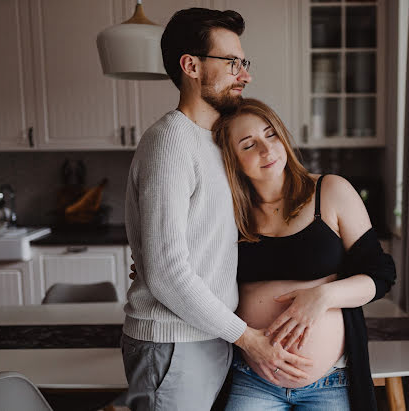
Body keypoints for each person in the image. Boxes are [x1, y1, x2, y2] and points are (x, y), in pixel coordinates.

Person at [122, 9, 312, 411]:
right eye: (231, 63)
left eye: (244, 63)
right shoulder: (171, 142)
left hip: (206, 337)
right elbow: (167, 272)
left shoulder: (213, 143)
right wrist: (247, 337)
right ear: (191, 66)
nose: (244, 75)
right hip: (175, 341)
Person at [213, 98, 397, 410]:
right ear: (230, 158)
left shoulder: (331, 191)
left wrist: (323, 297)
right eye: (248, 144)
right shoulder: (227, 214)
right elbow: (191, 275)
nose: (266, 149)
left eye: (271, 134)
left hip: (330, 382)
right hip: (250, 376)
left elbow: (381, 274)